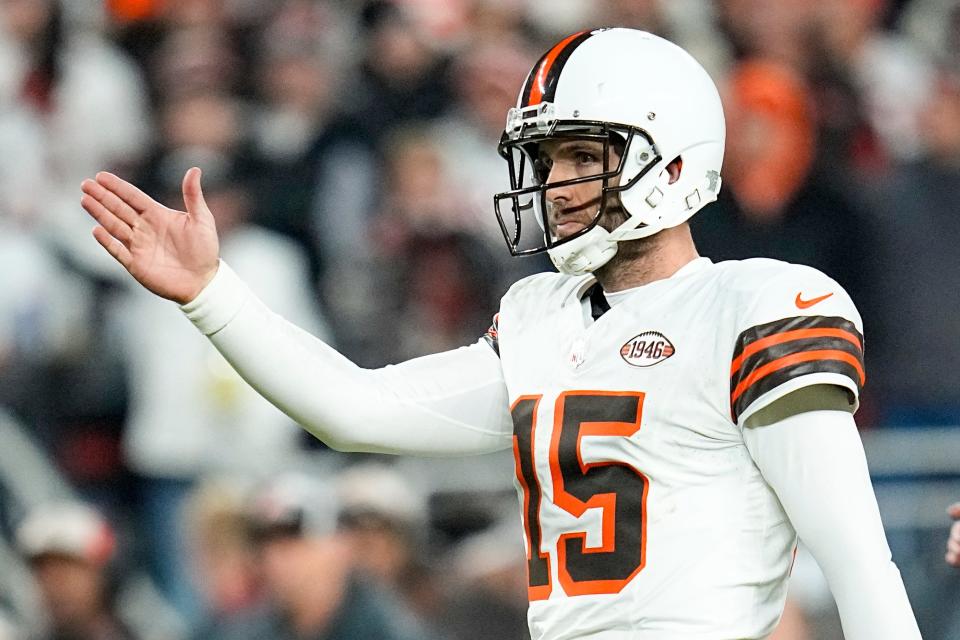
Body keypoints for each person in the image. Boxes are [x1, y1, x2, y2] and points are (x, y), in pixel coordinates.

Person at [79, 27, 920, 639]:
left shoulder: (758, 305)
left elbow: (855, 558)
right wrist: (210, 294)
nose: (554, 186)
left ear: (671, 161)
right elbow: (355, 409)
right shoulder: (540, 317)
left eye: (583, 157)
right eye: (546, 162)